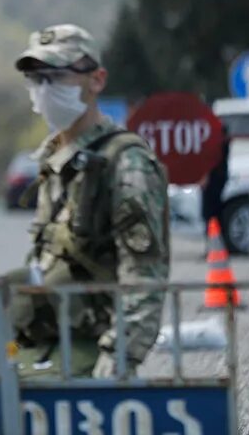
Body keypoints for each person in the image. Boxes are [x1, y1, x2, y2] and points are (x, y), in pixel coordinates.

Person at [9, 24, 169, 378]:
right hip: (39, 343)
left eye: (57, 77)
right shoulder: (54, 159)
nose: (44, 90)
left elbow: (144, 278)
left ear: (96, 80)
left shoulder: (125, 162)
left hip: (88, 350)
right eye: (36, 79)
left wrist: (116, 365)